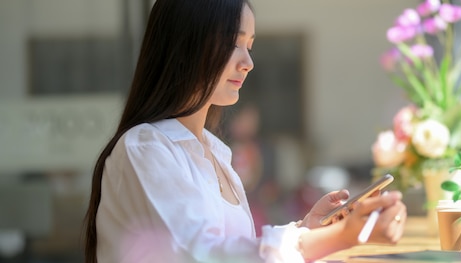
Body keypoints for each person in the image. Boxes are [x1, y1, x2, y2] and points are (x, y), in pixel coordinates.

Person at [82, 0, 407, 262]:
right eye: (233, 43)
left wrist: (306, 228)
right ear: (186, 45)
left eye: (250, 45)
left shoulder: (214, 151)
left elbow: (233, 249)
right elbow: (199, 256)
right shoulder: (145, 148)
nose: (248, 62)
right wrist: (337, 237)